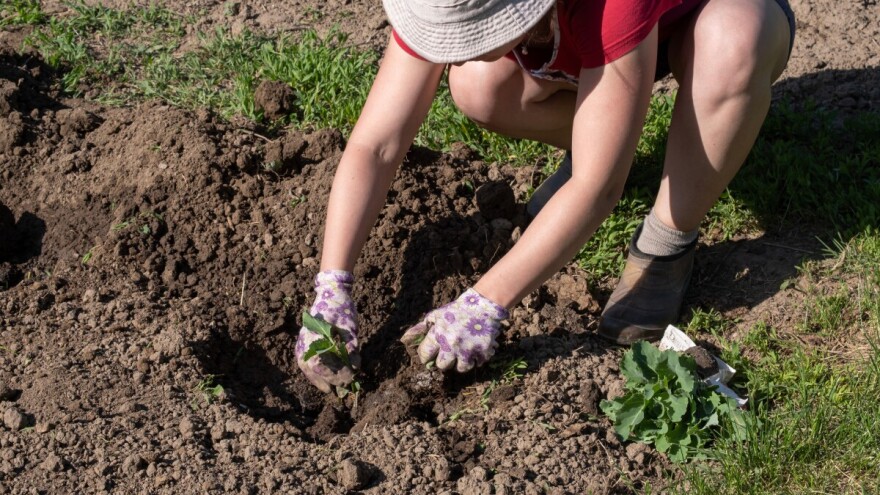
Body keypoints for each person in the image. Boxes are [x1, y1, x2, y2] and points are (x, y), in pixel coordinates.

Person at [296, 0, 797, 393]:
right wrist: (331, 285)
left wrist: (484, 304)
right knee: (478, 84)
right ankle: (604, 139)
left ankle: (666, 241)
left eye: (471, 29)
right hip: (594, 34)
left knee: (735, 39)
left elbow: (597, 189)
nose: (455, 45)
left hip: (705, 18)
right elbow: (376, 144)